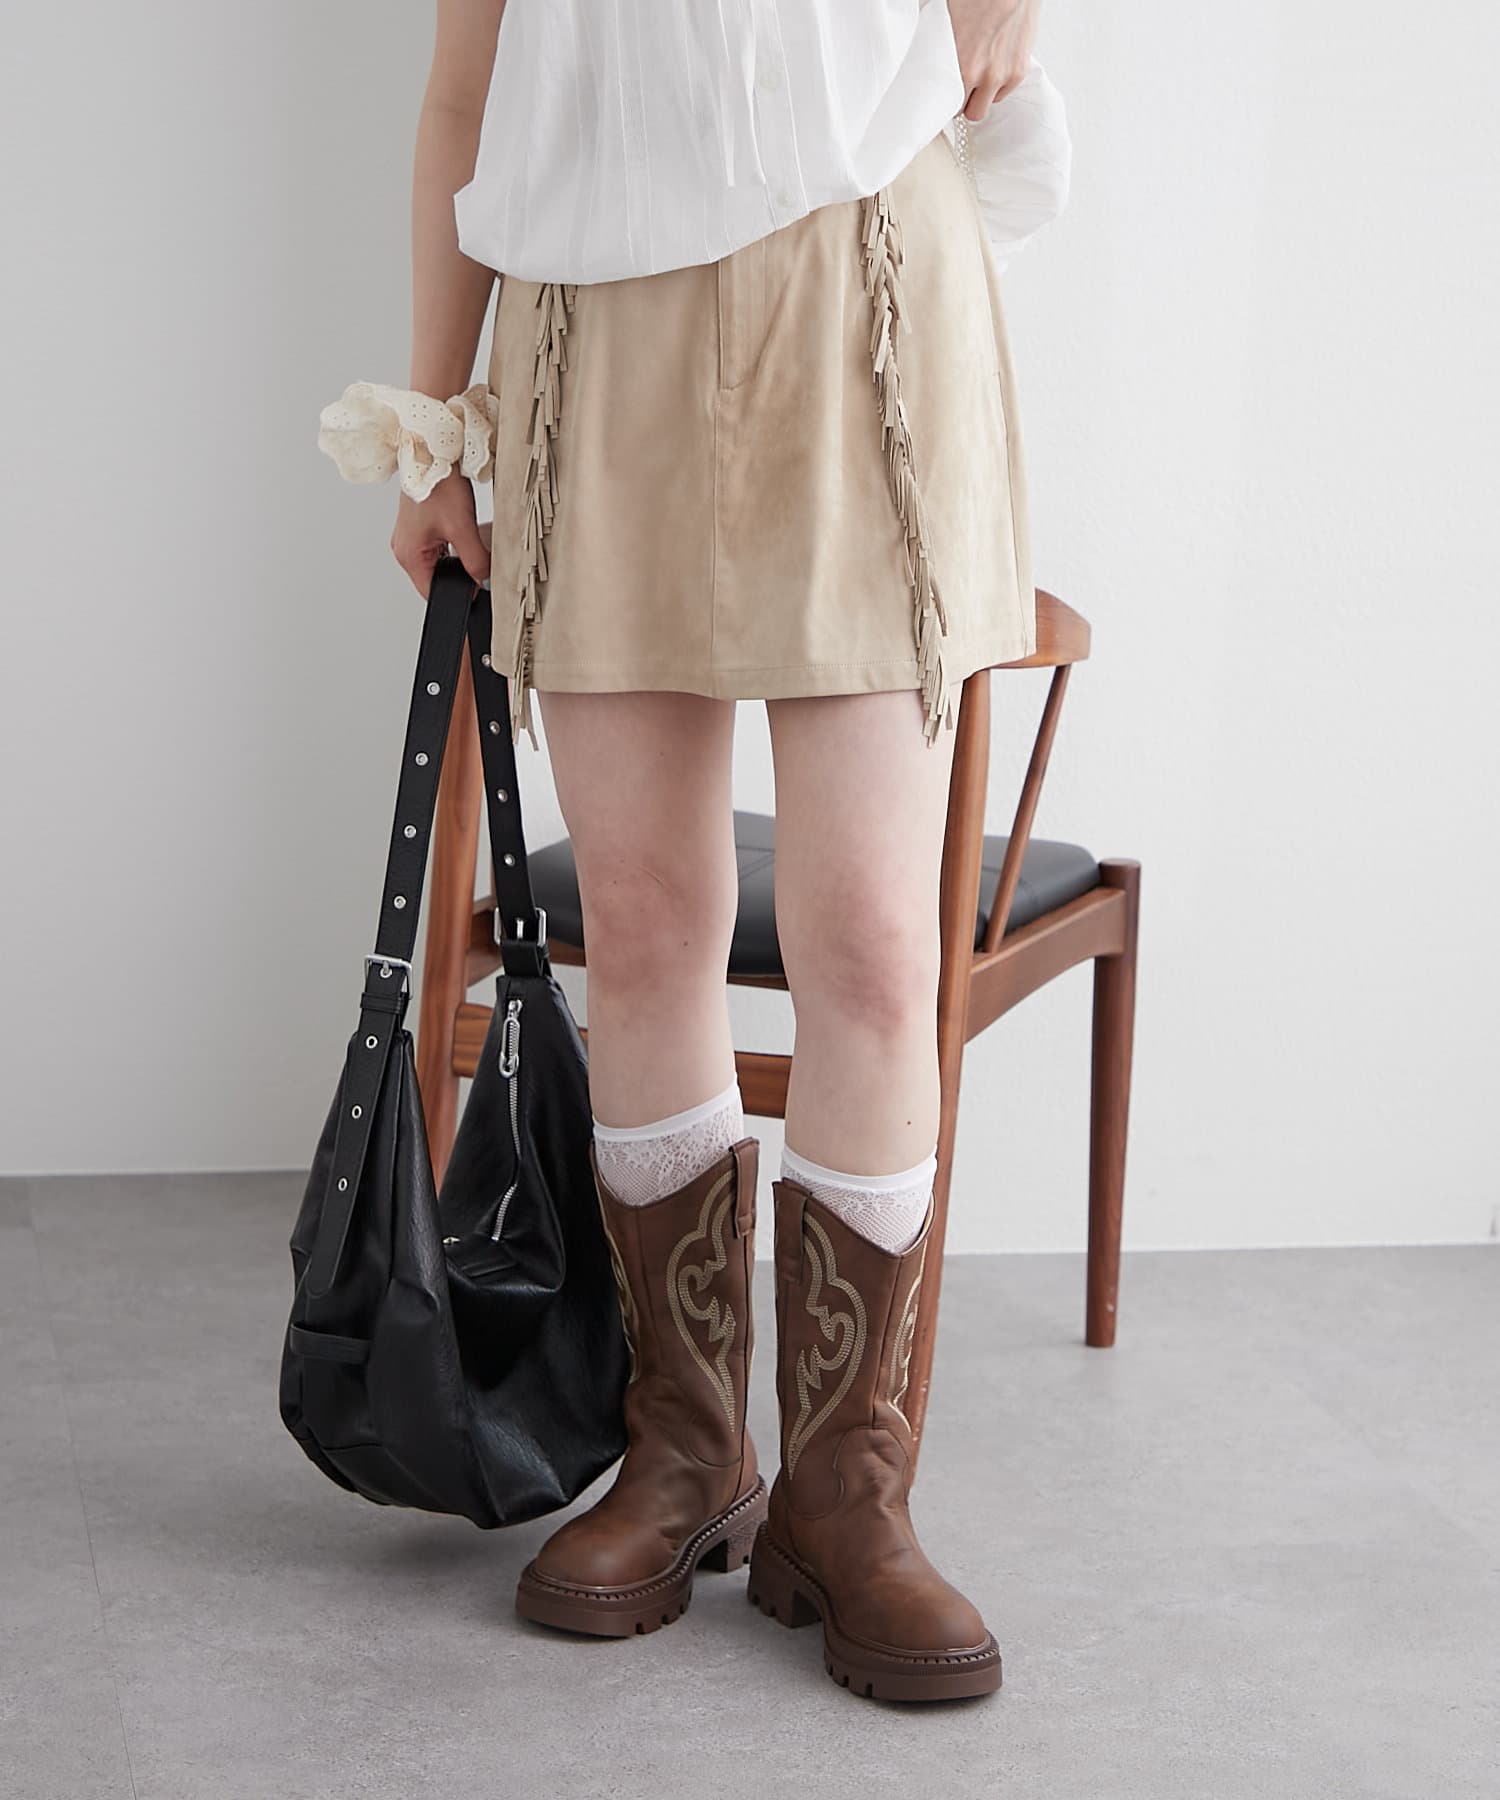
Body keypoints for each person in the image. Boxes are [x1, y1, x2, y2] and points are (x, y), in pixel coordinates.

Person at [319, 0, 1069, 1704]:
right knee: (647, 921)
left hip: (865, 281)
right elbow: (463, 93)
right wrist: (432, 424)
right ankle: (687, 1447)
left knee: (872, 939)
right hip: (594, 316)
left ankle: (848, 1493)